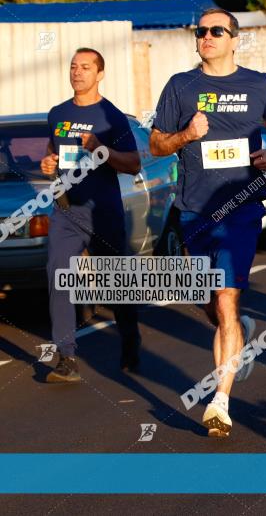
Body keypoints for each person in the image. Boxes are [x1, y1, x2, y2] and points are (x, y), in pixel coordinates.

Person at [150, 8, 266, 436]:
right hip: (194, 208)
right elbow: (156, 144)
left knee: (226, 299)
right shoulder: (180, 86)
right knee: (210, 300)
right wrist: (186, 136)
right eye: (201, 31)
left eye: (216, 31)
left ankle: (220, 402)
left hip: (242, 207)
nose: (206, 37)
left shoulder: (258, 83)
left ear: (234, 38)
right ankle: (240, 331)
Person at [42, 48, 142, 383]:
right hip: (67, 211)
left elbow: (133, 163)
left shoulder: (111, 116)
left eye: (86, 67)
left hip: (103, 212)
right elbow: (53, 152)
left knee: (116, 285)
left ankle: (130, 338)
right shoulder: (58, 113)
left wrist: (101, 148)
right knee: (58, 274)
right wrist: (48, 163)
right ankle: (66, 357)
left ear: (100, 74)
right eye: (73, 66)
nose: (77, 72)